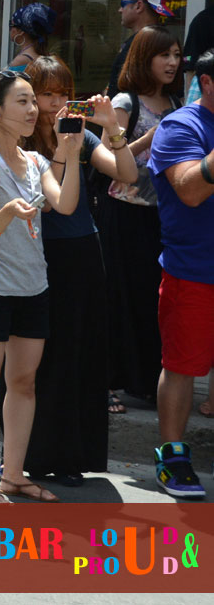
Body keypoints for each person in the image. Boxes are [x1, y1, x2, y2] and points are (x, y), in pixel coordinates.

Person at [0, 56, 135, 485]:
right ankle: (19, 456)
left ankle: (69, 457)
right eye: (47, 94)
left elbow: (127, 173)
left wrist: (111, 125)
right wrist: (62, 149)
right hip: (31, 256)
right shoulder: (18, 142)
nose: (56, 102)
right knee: (27, 360)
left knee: (77, 354)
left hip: (79, 254)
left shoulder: (80, 135)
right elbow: (52, 199)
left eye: (64, 93)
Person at [0, 70, 80, 504]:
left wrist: (71, 153)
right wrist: (8, 212)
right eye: (23, 102)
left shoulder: (37, 161)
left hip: (33, 288)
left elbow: (64, 203)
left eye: (33, 102)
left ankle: (12, 475)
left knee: (23, 383)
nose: (32, 110)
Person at [102, 26, 186, 406]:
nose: (172, 62)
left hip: (164, 213)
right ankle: (111, 381)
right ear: (144, 58)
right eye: (163, 55)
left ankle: (147, 381)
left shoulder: (177, 102)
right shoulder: (125, 101)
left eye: (176, 54)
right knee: (123, 295)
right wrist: (151, 138)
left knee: (155, 297)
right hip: (123, 214)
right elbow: (107, 159)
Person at [148, 49, 214, 498]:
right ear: (207, 83)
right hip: (194, 272)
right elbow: (190, 190)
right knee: (182, 366)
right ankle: (172, 458)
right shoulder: (180, 127)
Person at [108, 0, 172, 97]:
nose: (120, 10)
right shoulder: (167, 42)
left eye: (123, 4)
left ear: (138, 6)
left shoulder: (139, 45)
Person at [5, 3, 57, 71]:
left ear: (21, 31)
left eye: (11, 24)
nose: (10, 30)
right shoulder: (46, 56)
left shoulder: (21, 60)